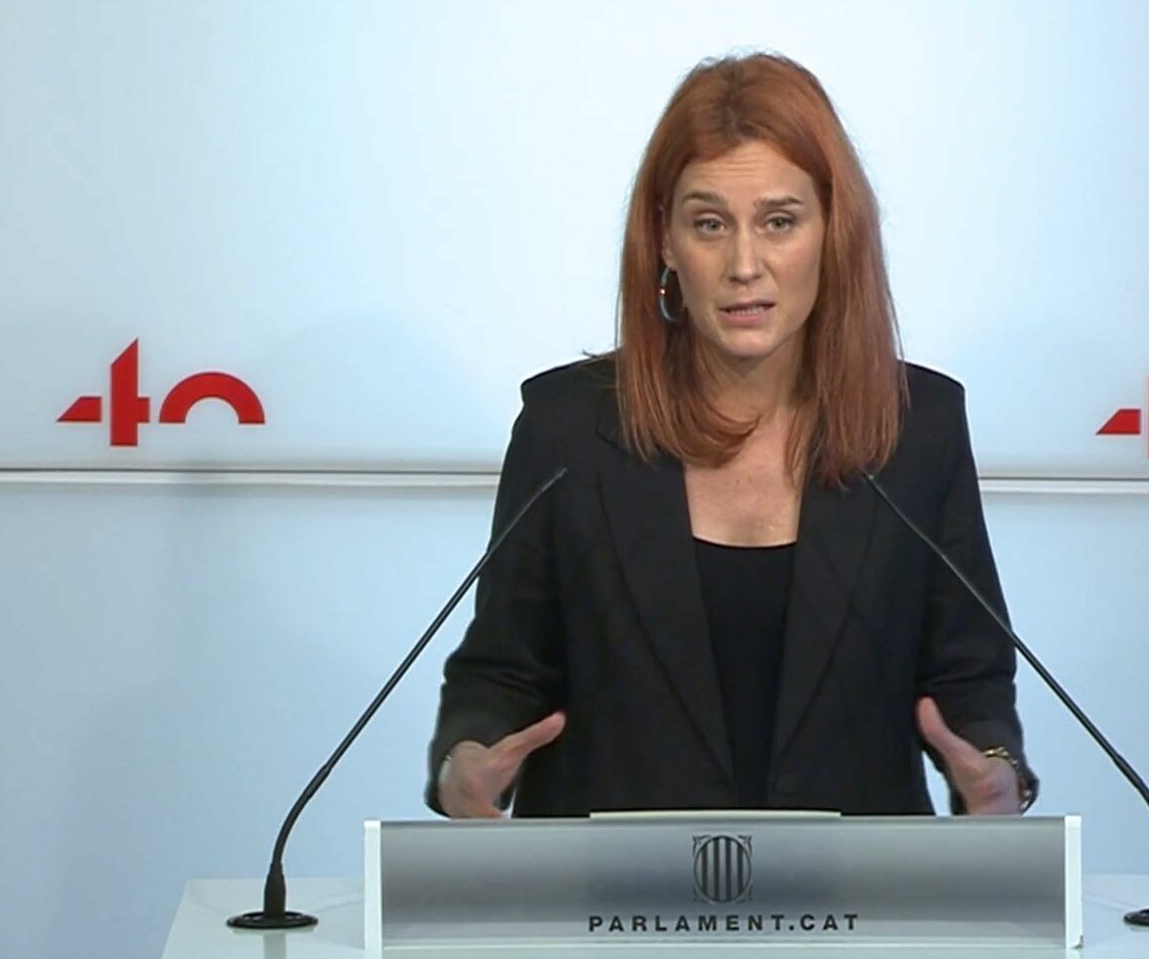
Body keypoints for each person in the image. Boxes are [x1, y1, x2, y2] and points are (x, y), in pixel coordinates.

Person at [427, 52, 1036, 818]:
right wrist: (467, 759)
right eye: (709, 224)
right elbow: (502, 671)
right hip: (610, 888)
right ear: (664, 240)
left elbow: (967, 678)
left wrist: (992, 767)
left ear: (833, 230)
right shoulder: (568, 432)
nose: (744, 264)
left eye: (779, 221)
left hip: (850, 889)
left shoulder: (918, 428)